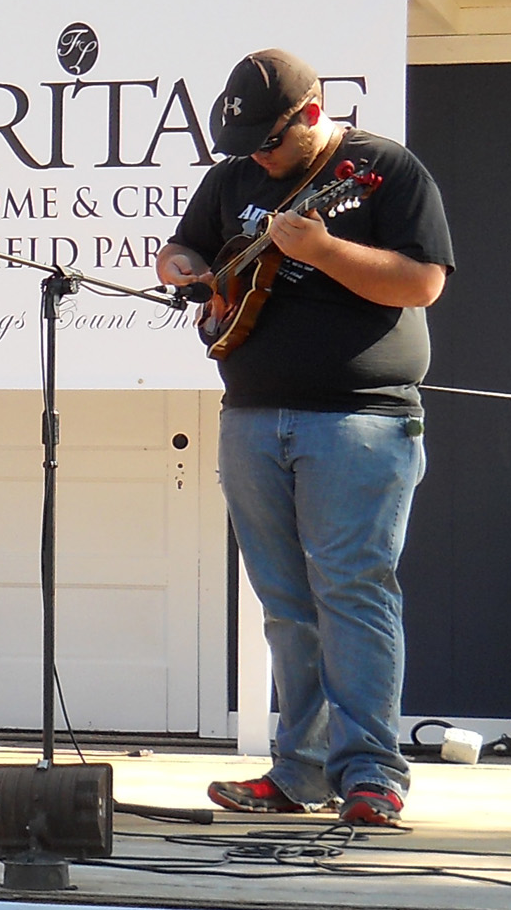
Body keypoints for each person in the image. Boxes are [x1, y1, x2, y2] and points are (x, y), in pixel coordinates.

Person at [158, 48, 452, 828]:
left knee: (352, 592)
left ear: (313, 118)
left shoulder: (384, 170)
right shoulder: (233, 178)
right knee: (287, 603)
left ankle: (371, 775)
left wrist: (321, 251)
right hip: (252, 413)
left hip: (361, 416)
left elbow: (423, 281)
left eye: (270, 142)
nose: (258, 156)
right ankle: (300, 770)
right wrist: (187, 268)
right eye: (246, 143)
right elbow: (185, 247)